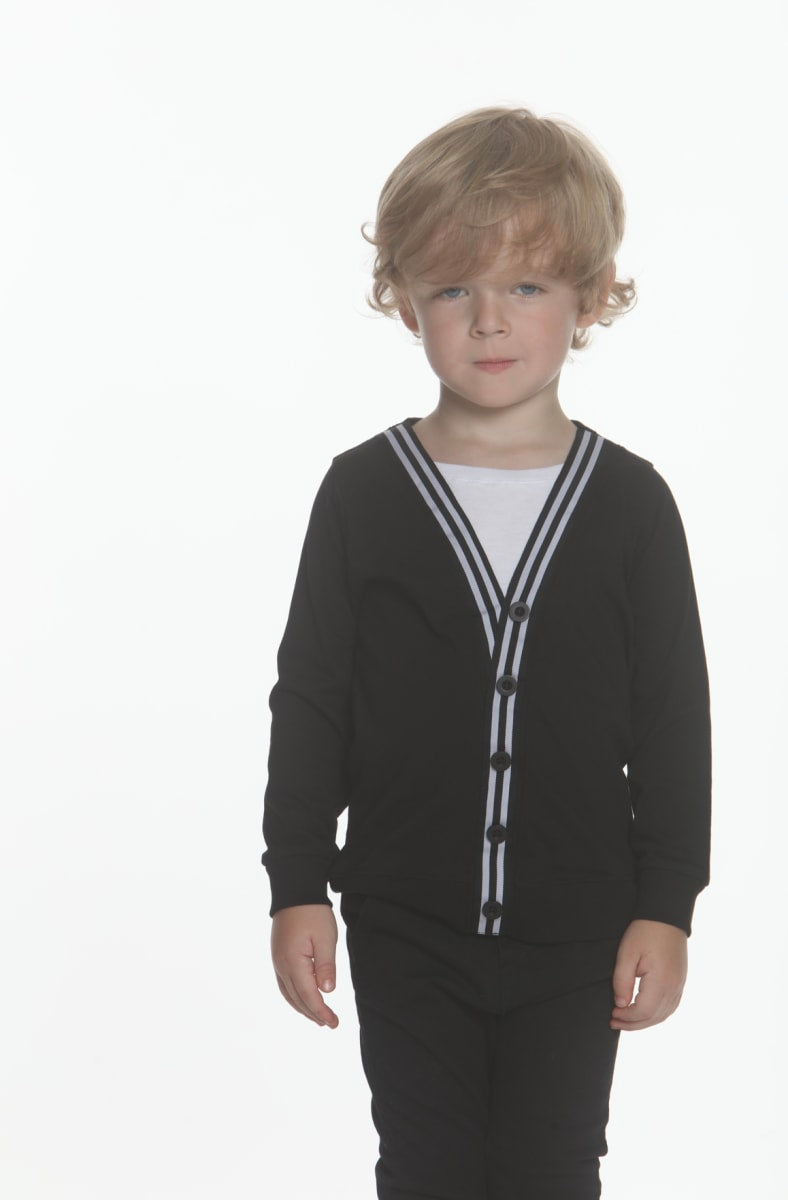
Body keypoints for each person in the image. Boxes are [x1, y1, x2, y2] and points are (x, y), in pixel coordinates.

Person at [261, 106, 712, 1200]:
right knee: (425, 1167)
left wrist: (667, 903)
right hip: (403, 921)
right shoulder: (363, 495)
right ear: (403, 300)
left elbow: (672, 721)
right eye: (455, 288)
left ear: (589, 297)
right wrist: (296, 883)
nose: (491, 320)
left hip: (579, 929)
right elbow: (312, 699)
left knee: (552, 1169)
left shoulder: (631, 505)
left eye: (527, 285)